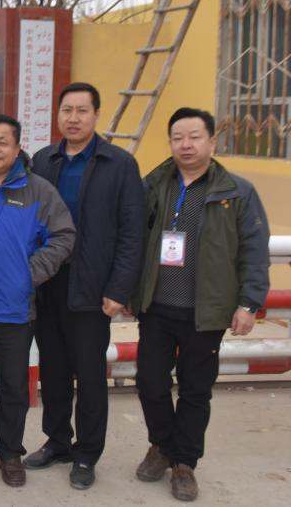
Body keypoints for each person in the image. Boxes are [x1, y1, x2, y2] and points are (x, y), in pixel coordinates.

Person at [130, 107, 270, 502]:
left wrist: (249, 303)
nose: (186, 145)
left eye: (194, 137)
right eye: (178, 138)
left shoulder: (236, 192)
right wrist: (127, 290)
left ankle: (184, 463)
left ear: (212, 141)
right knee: (150, 383)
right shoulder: (154, 185)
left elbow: (254, 250)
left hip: (205, 311)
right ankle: (161, 445)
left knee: (195, 391)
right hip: (156, 305)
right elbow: (132, 239)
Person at [27, 82, 144, 489]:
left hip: (93, 287)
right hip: (48, 283)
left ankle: (87, 453)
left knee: (90, 375)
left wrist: (119, 288)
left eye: (82, 111)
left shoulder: (119, 164)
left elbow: (132, 232)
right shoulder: (44, 161)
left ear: (96, 115)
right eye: (67, 110)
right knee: (53, 368)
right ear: (57, 115)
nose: (73, 118)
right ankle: (58, 441)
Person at [0, 114, 75, 488]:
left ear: (18, 148)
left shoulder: (38, 191)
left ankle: (9, 453)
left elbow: (64, 236)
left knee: (14, 388)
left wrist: (28, 273)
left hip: (15, 310)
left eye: (3, 142)